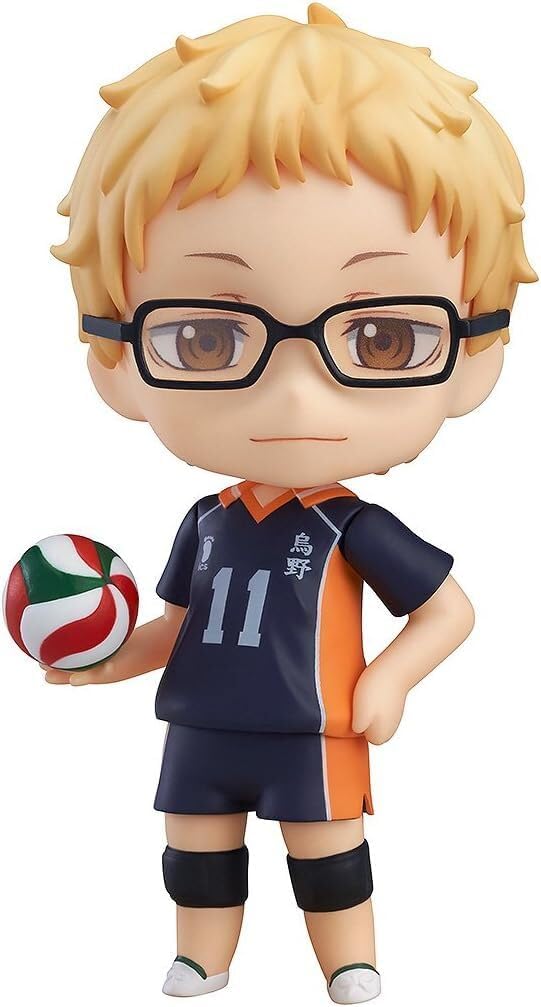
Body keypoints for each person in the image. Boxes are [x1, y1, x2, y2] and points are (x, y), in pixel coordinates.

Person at [46, 5, 535, 1002]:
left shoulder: (350, 525)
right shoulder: (207, 521)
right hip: (200, 722)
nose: (297, 399)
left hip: (314, 725)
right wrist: (106, 659)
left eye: (383, 339)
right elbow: (176, 627)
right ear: (114, 357)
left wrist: (387, 681)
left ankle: (349, 957)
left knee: (328, 853)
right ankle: (202, 954)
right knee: (195, 849)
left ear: (474, 355)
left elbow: (446, 610)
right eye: (206, 339)